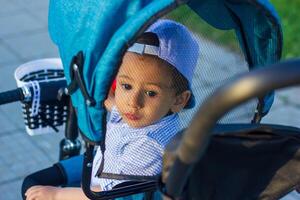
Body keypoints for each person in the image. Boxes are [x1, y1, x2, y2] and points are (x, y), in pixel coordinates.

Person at [23, 19, 199, 200]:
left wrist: (56, 195)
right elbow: (114, 104)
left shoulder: (149, 145)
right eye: (126, 86)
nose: (132, 102)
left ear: (179, 100)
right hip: (104, 174)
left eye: (150, 93)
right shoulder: (148, 115)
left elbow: (105, 196)